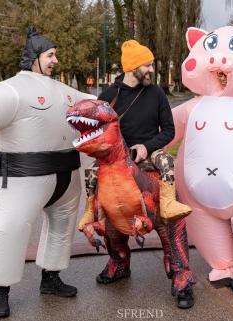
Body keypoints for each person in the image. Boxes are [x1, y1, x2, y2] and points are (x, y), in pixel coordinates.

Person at [0, 27, 95, 318]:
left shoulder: (64, 91)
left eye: (56, 55)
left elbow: (95, 104)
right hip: (21, 177)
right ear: (34, 58)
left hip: (66, 176)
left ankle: (51, 278)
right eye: (50, 55)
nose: (56, 60)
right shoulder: (12, 89)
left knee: (62, 227)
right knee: (10, 230)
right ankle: (1, 292)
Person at [79, 40, 195, 308]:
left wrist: (147, 147)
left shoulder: (156, 94)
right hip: (113, 164)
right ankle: (118, 261)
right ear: (132, 67)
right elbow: (96, 131)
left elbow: (168, 131)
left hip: (147, 160)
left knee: (171, 219)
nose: (152, 69)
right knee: (103, 207)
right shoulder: (108, 95)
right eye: (148, 64)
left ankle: (181, 274)